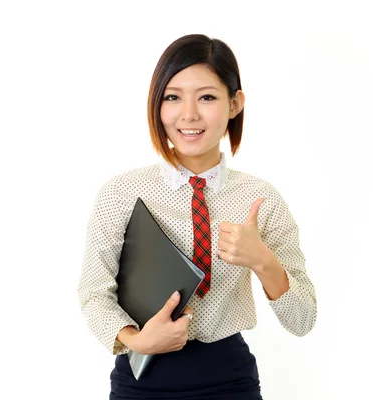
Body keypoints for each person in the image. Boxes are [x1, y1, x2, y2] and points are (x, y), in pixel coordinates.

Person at [78, 34, 317, 399]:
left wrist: (264, 262)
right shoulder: (122, 193)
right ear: (157, 105)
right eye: (172, 97)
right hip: (141, 381)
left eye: (206, 97)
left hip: (229, 380)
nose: (188, 114)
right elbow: (94, 293)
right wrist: (136, 339)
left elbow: (302, 320)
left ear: (234, 104)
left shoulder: (261, 199)